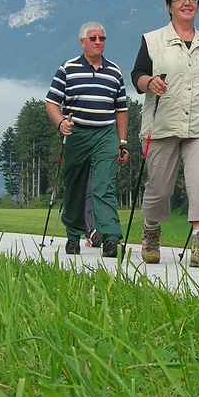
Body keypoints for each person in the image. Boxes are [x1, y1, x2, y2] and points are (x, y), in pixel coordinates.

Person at [131, 0, 199, 268]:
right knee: (159, 189)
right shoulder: (152, 40)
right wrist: (150, 82)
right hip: (162, 125)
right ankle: (151, 232)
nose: (187, 3)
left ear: (198, 6)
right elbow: (137, 75)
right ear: (169, 6)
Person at [45, 21, 129, 258]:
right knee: (75, 185)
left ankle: (110, 237)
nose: (98, 42)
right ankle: (73, 234)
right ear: (82, 42)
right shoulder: (68, 68)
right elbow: (51, 102)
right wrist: (60, 122)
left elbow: (121, 110)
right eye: (93, 38)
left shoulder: (114, 71)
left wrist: (122, 143)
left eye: (102, 38)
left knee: (104, 185)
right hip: (77, 133)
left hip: (105, 133)